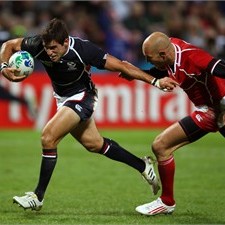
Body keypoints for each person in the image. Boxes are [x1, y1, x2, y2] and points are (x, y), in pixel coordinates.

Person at [0, 19, 177, 211]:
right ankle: (143, 166)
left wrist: (155, 82)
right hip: (63, 98)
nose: (49, 52)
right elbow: (8, 45)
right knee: (95, 144)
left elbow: (122, 66)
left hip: (83, 97)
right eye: (46, 48)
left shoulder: (83, 50)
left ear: (65, 42)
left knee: (48, 137)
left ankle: (37, 197)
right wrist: (3, 68)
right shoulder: (38, 45)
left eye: (53, 48)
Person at [128, 31, 225, 216]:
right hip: (208, 110)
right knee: (161, 146)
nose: (149, 62)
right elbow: (159, 70)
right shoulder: (169, 50)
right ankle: (167, 201)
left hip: (217, 108)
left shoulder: (191, 56)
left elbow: (219, 67)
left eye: (150, 58)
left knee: (161, 145)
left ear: (163, 54)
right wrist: (139, 75)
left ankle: (167, 202)